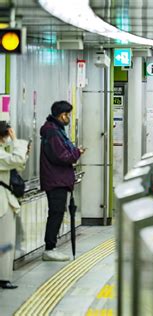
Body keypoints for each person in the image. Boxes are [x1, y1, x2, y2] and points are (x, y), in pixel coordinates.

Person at [40, 101, 84, 261]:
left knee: (57, 212)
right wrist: (77, 153)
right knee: (56, 213)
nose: (69, 118)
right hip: (55, 180)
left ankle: (51, 247)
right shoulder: (52, 132)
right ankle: (49, 248)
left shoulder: (56, 130)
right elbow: (62, 156)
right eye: (68, 115)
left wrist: (75, 151)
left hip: (57, 179)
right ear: (62, 115)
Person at [0, 122, 29, 289]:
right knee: (5, 239)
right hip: (2, 202)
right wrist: (17, 141)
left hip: (5, 199)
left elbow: (18, 165)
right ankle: (3, 277)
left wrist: (21, 152)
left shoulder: (3, 152)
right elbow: (16, 160)